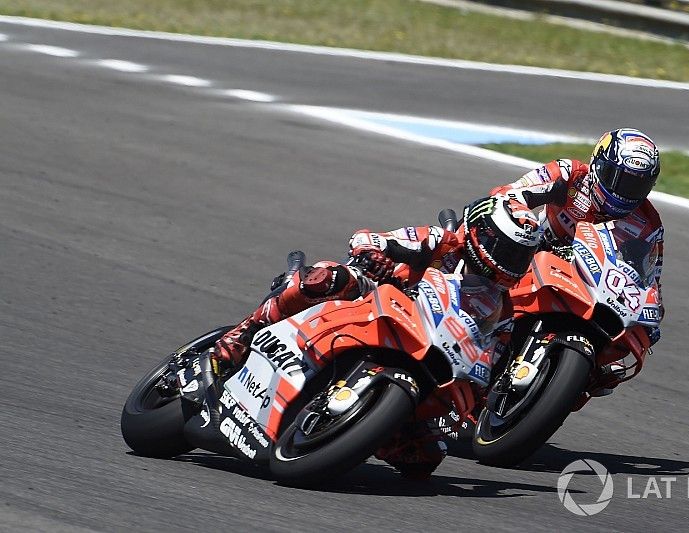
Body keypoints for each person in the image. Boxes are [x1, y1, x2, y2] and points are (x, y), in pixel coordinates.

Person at [212, 194, 540, 478]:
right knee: (325, 278)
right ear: (481, 233)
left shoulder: (503, 308)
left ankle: (359, 428)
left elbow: (491, 358)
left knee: (423, 460)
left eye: (520, 256)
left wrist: (477, 392)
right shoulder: (441, 242)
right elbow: (367, 239)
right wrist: (373, 254)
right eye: (506, 250)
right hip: (378, 299)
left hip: (428, 348)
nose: (512, 262)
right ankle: (245, 332)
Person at [491, 127, 665, 393]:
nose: (624, 192)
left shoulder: (648, 223)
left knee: (603, 373)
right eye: (617, 178)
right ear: (598, 163)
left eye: (636, 185)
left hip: (593, 286)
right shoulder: (570, 174)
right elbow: (510, 193)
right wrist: (519, 213)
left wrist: (651, 316)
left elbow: (650, 277)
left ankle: (565, 378)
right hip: (532, 253)